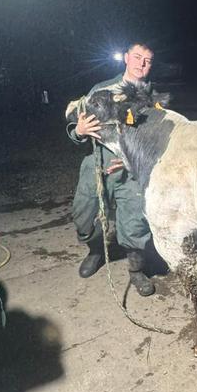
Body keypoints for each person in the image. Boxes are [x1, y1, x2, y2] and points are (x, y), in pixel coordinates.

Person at [67, 42, 157, 296]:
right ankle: (96, 251)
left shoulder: (153, 100)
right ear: (126, 58)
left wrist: (132, 160)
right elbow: (78, 120)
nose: (141, 64)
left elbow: (156, 143)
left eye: (147, 60)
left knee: (135, 225)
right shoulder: (102, 89)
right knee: (83, 217)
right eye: (137, 57)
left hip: (132, 172)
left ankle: (136, 272)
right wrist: (79, 131)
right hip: (98, 165)